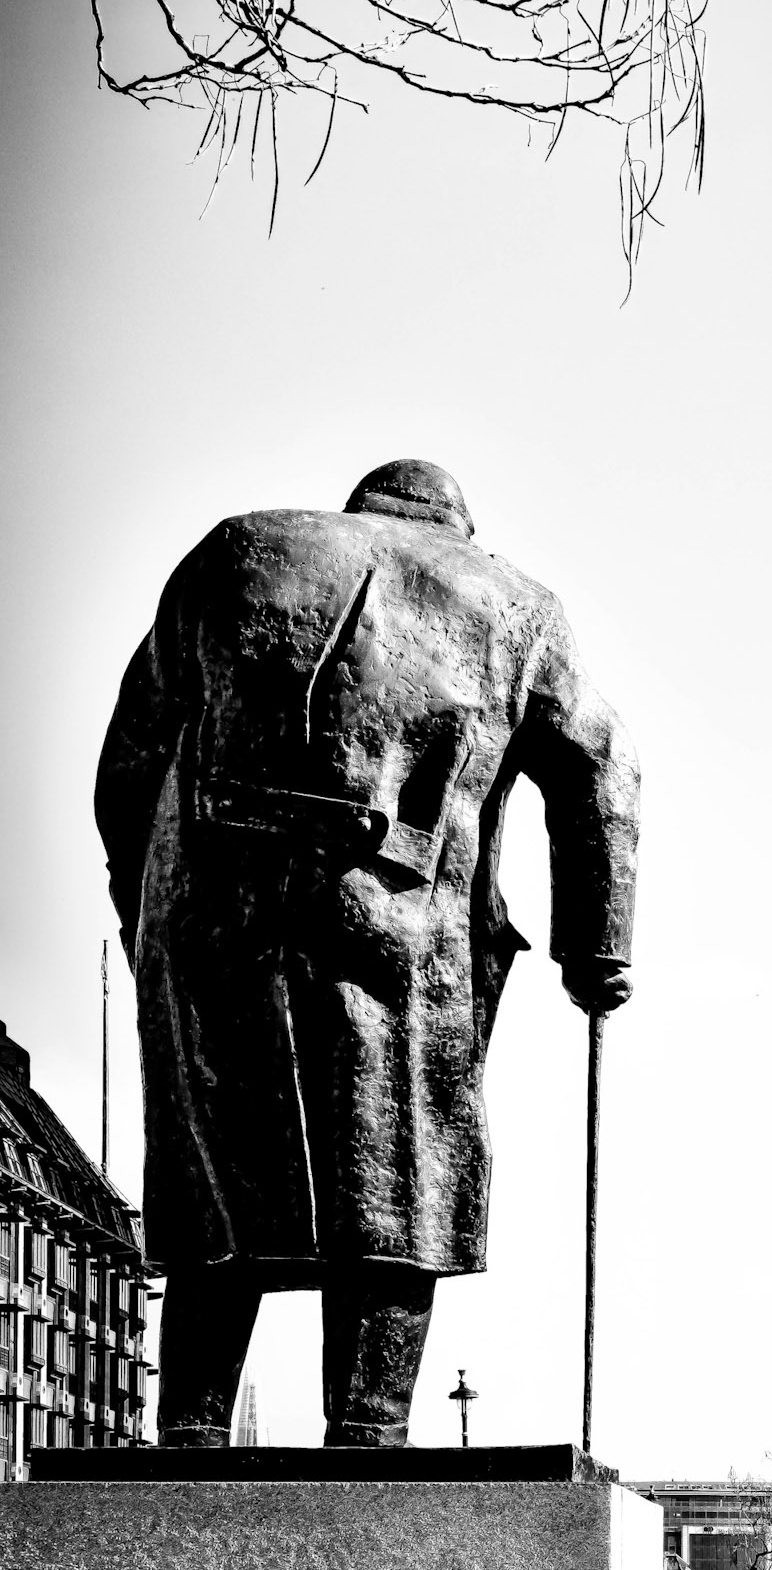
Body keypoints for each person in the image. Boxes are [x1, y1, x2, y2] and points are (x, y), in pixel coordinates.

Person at [95, 459, 638, 1447]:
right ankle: (369, 1430)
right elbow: (600, 764)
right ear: (457, 527)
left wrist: (146, 910)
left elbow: (130, 759)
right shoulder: (515, 604)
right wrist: (596, 948)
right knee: (398, 1174)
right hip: (402, 924)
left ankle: (190, 1433)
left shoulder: (237, 549)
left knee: (219, 1179)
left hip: (208, 916)